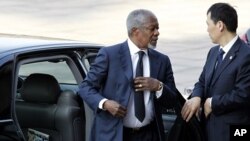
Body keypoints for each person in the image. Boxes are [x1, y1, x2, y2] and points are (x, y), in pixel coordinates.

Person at [78, 9, 177, 141]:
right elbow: (85, 87)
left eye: (158, 28)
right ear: (136, 31)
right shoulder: (109, 55)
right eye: (152, 29)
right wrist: (105, 103)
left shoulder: (162, 61)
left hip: (149, 135)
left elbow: (173, 100)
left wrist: (158, 87)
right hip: (115, 135)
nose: (157, 33)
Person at [181, 3, 250, 141]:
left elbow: (243, 94)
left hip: (233, 132)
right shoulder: (213, 52)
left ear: (220, 25)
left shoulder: (246, 55)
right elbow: (202, 81)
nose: (207, 29)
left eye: (208, 24)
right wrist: (196, 97)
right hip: (208, 130)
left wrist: (212, 103)